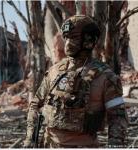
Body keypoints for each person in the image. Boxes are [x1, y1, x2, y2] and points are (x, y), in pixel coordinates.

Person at [23, 15, 128, 148]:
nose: (67, 43)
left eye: (74, 37)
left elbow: (118, 117)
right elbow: (35, 105)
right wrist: (30, 138)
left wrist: (115, 145)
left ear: (89, 40)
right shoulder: (55, 71)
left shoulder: (105, 76)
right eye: (66, 37)